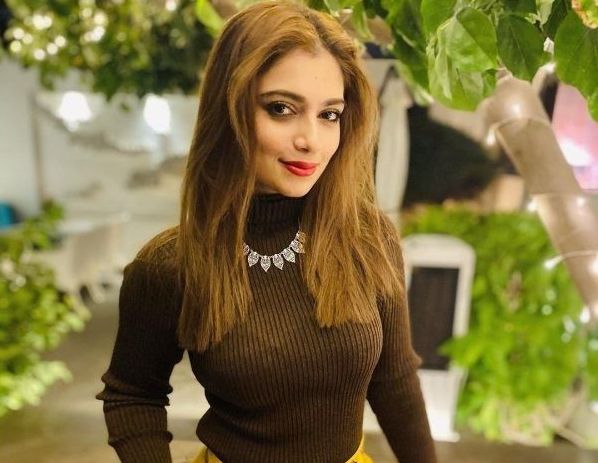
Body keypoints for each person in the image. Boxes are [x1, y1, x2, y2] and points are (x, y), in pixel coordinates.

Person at [96, 1, 437, 462]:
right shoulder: (170, 266)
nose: (311, 140)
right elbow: (133, 394)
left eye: (329, 114)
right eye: (281, 109)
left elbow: (394, 380)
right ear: (229, 108)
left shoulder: (368, 237)